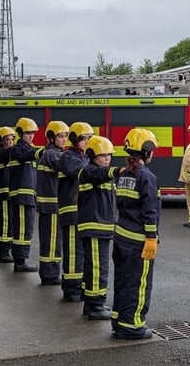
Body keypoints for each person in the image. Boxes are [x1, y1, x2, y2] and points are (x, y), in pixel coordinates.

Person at [112, 128, 160, 340]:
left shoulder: (124, 175)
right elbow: (150, 211)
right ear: (146, 150)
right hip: (138, 241)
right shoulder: (147, 177)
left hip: (121, 237)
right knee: (139, 284)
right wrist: (151, 238)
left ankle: (119, 320)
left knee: (122, 281)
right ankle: (132, 326)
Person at [77, 136, 124, 320]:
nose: (107, 159)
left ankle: (94, 303)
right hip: (94, 227)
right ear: (92, 155)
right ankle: (95, 305)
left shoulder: (102, 174)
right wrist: (118, 170)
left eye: (109, 155)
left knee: (98, 267)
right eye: (103, 155)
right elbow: (99, 175)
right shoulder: (89, 171)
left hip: (102, 227)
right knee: (98, 268)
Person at [57, 122, 94, 302]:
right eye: (83, 138)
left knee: (80, 252)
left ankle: (79, 286)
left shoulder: (84, 157)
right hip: (71, 210)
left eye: (89, 138)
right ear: (75, 140)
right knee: (73, 252)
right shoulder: (68, 157)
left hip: (80, 211)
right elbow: (80, 173)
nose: (87, 141)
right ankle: (71, 289)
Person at [36, 120, 69, 285]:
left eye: (65, 136)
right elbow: (67, 167)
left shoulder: (52, 153)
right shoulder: (52, 155)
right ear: (51, 138)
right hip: (51, 205)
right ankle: (49, 274)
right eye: (60, 136)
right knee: (52, 242)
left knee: (52, 240)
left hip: (50, 205)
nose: (64, 140)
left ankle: (49, 272)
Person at [8, 117, 42, 272]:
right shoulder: (18, 149)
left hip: (28, 197)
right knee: (22, 229)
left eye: (32, 133)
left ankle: (22, 259)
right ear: (21, 133)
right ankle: (20, 261)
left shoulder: (29, 149)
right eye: (28, 133)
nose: (31, 136)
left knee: (27, 229)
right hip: (21, 196)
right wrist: (41, 151)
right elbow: (25, 155)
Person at [0, 126, 16, 263]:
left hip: (7, 191)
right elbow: (13, 153)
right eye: (7, 140)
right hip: (4, 192)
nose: (10, 142)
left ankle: (3, 249)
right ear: (1, 142)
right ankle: (3, 251)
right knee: (6, 221)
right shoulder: (1, 153)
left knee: (7, 220)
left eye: (12, 139)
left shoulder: (4, 153)